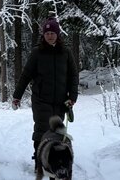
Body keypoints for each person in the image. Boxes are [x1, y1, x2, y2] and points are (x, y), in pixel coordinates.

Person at [12, 17, 79, 171]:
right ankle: (38, 160)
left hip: (60, 101)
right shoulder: (37, 52)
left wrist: (72, 97)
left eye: (52, 33)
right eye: (47, 33)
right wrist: (17, 96)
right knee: (42, 130)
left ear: (57, 34)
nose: (50, 35)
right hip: (41, 100)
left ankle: (55, 161)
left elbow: (73, 76)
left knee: (57, 132)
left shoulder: (66, 52)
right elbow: (26, 75)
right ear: (43, 35)